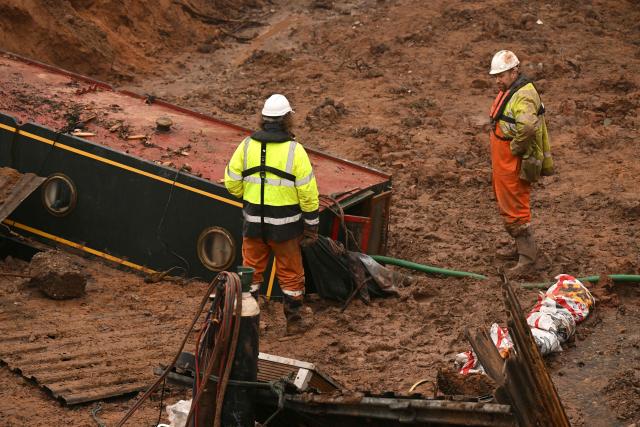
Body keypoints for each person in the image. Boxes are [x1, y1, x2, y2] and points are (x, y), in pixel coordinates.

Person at [224, 94, 319, 334]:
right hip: (286, 228)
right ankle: (294, 322)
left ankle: (248, 324)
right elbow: (308, 193)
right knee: (291, 274)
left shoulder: (246, 146)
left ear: (263, 119)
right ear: (287, 120)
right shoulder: (295, 152)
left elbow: (232, 183)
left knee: (251, 274)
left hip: (254, 224)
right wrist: (311, 226)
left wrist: (251, 198)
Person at [488, 50, 553, 275]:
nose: (498, 80)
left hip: (512, 162)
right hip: (503, 160)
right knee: (507, 202)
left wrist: (515, 148)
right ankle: (522, 249)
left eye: (502, 75)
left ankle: (529, 259)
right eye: (496, 76)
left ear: (515, 71)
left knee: (516, 206)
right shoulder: (512, 89)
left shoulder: (523, 95)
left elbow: (526, 127)